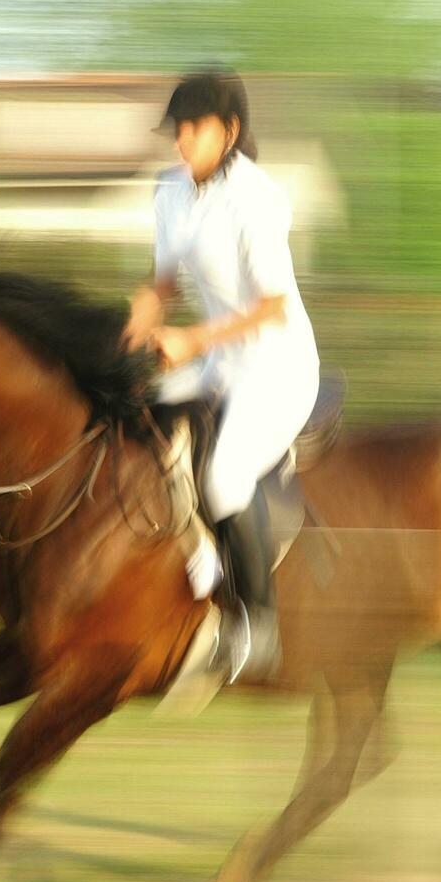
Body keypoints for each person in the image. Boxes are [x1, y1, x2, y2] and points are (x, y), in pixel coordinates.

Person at [123, 67, 320, 683]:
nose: (182, 140)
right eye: (177, 129)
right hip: (218, 365)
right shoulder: (170, 190)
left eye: (194, 127)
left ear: (228, 131)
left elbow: (272, 307)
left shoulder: (258, 198)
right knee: (135, 420)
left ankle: (256, 626)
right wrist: (132, 329)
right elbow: (163, 285)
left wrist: (191, 339)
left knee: (226, 473)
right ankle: (201, 556)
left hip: (277, 367)